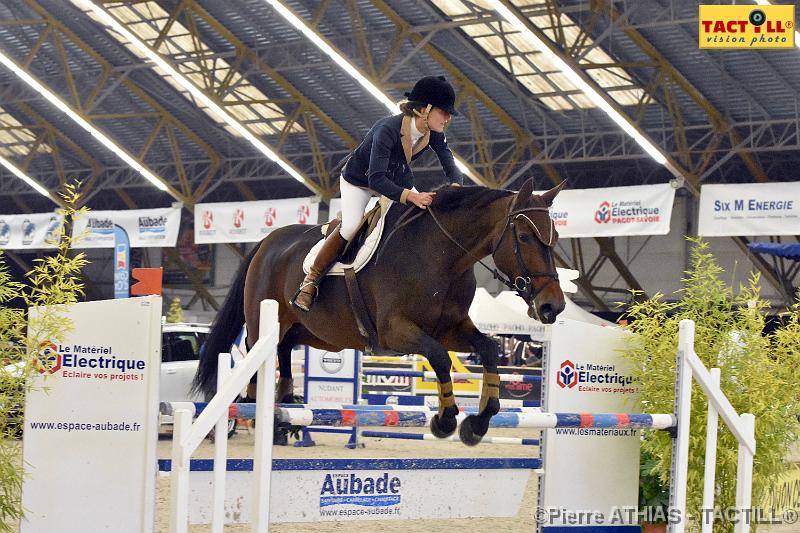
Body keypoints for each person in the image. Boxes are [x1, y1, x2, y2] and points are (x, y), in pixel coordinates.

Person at [291, 75, 464, 312]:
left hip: (396, 180)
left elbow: (449, 162)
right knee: (351, 226)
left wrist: (456, 185)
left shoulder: (433, 133)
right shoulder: (387, 130)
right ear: (425, 109)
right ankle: (310, 280)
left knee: (419, 218)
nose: (448, 118)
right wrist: (412, 196)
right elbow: (376, 179)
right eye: (444, 112)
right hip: (360, 182)